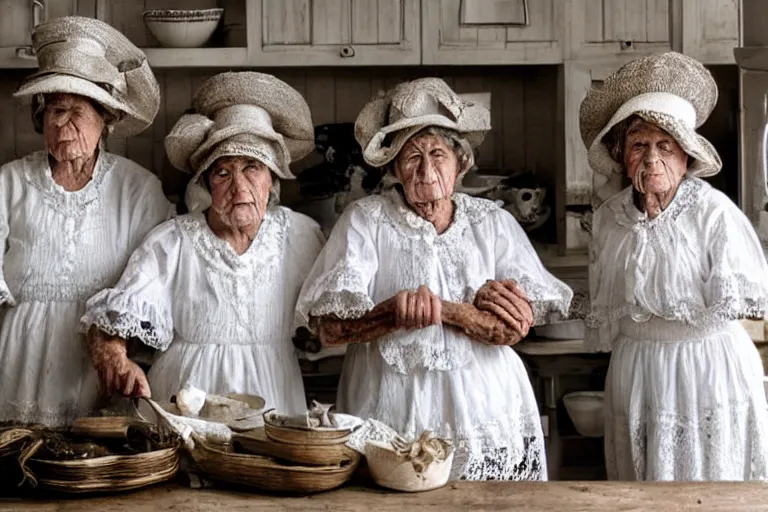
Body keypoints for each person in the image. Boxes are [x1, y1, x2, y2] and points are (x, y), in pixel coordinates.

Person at [296, 78, 572, 480]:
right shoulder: (366, 220)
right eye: (411, 157)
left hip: (484, 407)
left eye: (438, 154)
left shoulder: (492, 222)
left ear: (461, 163)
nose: (426, 170)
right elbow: (328, 330)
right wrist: (390, 315)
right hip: (390, 405)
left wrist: (444, 310)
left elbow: (515, 327)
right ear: (393, 167)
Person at [82, 72, 323, 415]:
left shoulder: (302, 236)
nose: (239, 187)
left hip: (274, 398)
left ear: (273, 176)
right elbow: (112, 319)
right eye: (223, 172)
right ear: (207, 183)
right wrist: (116, 359)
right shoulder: (173, 241)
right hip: (188, 402)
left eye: (252, 168)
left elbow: (334, 317)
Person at [581, 51, 768, 480]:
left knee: (709, 483)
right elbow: (608, 304)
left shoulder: (713, 213)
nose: (651, 160)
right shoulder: (609, 218)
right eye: (638, 145)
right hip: (638, 369)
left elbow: (740, 304)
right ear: (620, 155)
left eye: (665, 146)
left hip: (705, 367)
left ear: (687, 156)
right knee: (642, 487)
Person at [0, 16, 171, 426]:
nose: (62, 124)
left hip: (102, 362)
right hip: (20, 360)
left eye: (76, 111)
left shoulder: (139, 191)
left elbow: (160, 281)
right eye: (54, 110)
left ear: (105, 120)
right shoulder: (9, 183)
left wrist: (119, 349)